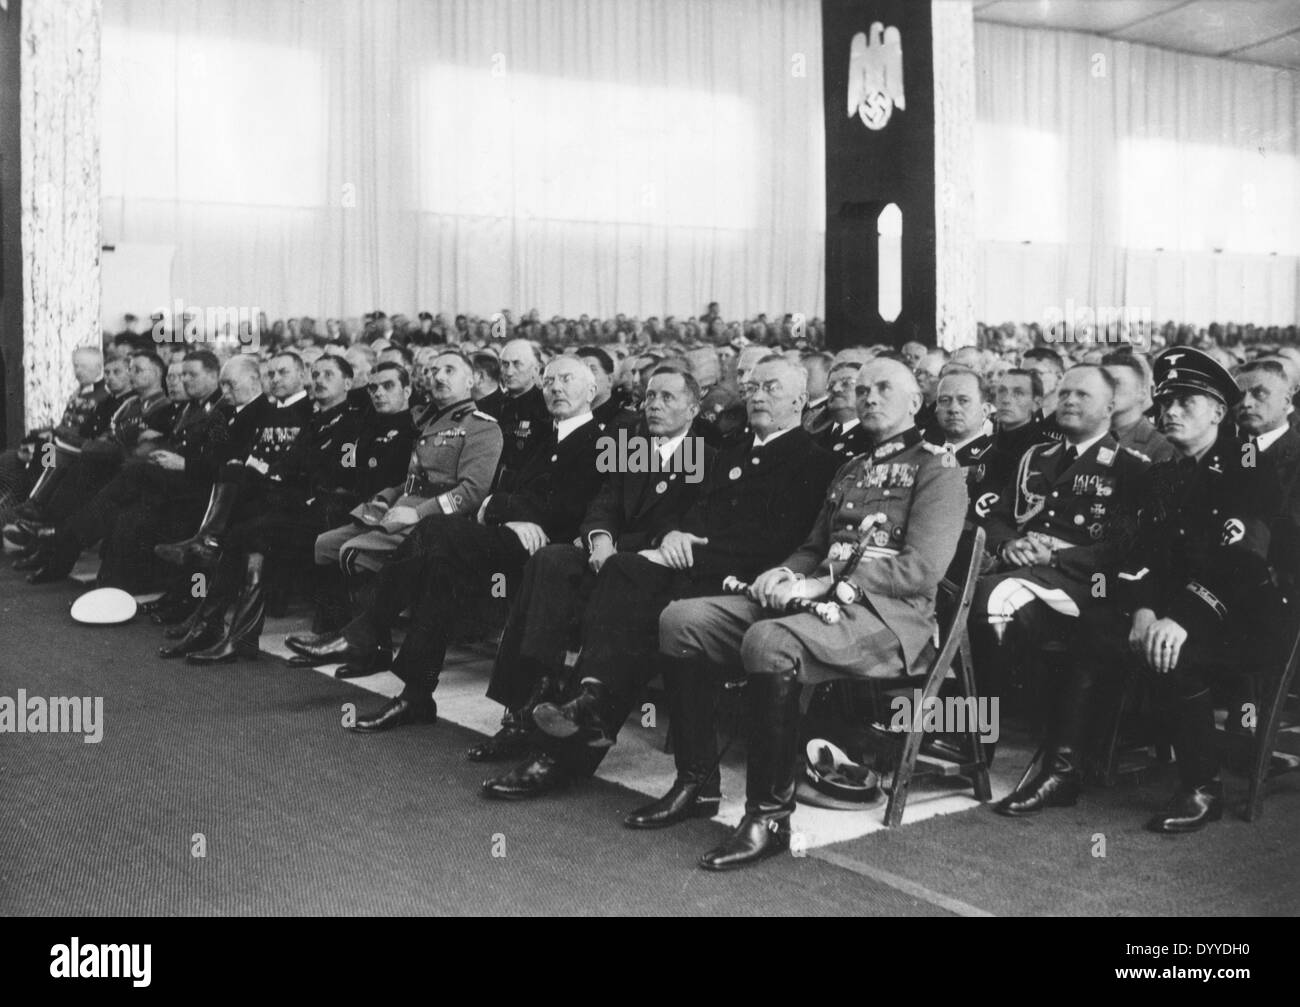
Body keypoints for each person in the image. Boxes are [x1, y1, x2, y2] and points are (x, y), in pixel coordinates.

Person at [647, 357, 966, 870]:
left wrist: (825, 582)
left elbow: (921, 570)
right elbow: (815, 546)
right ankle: (696, 783)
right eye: (862, 390)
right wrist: (785, 573)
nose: (869, 398)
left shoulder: (938, 469)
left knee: (770, 642)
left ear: (915, 402)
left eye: (884, 389)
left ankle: (770, 818)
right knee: (682, 621)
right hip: (824, 603)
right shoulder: (851, 469)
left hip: (889, 620)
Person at [501, 356, 839, 801]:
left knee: (629, 594)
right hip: (662, 567)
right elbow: (641, 507)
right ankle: (542, 713)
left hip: (730, 581)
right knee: (563, 566)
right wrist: (619, 539)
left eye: (771, 388)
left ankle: (567, 736)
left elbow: (772, 542)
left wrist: (666, 548)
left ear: (800, 398)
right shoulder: (696, 448)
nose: (757, 395)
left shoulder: (792, 459)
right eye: (752, 387)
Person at [996, 348, 1284, 833]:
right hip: (1172, 609)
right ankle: (1062, 771)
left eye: (1185, 402)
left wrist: (1180, 618)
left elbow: (1242, 564)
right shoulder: (1166, 475)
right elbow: (1143, 556)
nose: (1170, 411)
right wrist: (1145, 609)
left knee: (1177, 650)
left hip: (1242, 617)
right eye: (1165, 401)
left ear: (1217, 411)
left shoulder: (1247, 468)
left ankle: (1202, 786)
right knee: (1091, 627)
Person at [286, 355, 607, 729]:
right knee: (439, 564)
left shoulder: (603, 441)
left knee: (437, 531)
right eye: (549, 381)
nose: (555, 388)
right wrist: (507, 512)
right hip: (513, 538)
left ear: (591, 389)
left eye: (566, 380)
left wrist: (511, 512)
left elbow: (572, 507)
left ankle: (365, 632)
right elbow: (500, 495)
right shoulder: (545, 437)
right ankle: (415, 696)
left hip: (554, 551)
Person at [468, 367, 713, 765]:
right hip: (611, 556)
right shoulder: (632, 448)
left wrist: (619, 549)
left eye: (668, 398)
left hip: (652, 570)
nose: (654, 406)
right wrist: (600, 537)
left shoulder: (704, 456)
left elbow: (683, 525)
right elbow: (604, 503)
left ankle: (562, 718)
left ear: (693, 409)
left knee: (597, 575)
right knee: (549, 561)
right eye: (650, 397)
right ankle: (524, 707)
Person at [972, 365, 1148, 766]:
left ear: (1111, 406)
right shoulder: (1035, 456)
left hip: (1087, 587)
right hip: (1027, 575)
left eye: (1082, 395)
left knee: (994, 598)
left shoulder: (1130, 468)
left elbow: (1121, 548)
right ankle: (966, 729)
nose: (1069, 401)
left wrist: (1055, 557)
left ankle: (980, 740)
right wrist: (1008, 544)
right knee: (971, 602)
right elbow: (997, 516)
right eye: (1064, 393)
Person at [307, 349, 502, 648]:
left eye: (449, 370)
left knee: (351, 552)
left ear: (472, 380)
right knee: (325, 545)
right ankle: (336, 632)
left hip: (436, 521)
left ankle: (365, 644)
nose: (438, 377)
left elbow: (472, 492)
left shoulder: (481, 426)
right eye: (434, 371)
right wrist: (386, 498)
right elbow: (412, 480)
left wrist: (419, 513)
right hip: (401, 509)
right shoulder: (428, 421)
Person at [930, 368, 1015, 525]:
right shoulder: (926, 457)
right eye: (944, 400)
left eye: (963, 400)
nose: (953, 409)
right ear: (936, 410)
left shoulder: (1001, 463)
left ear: (985, 411)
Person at [1103, 351, 1175, 463]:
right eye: (1103, 384)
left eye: (1116, 383)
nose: (1107, 390)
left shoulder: (1162, 446)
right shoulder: (1089, 436)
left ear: (1142, 392)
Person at [813, 361, 873, 460]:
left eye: (847, 383)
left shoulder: (873, 437)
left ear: (867, 392)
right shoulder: (814, 433)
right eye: (831, 385)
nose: (836, 389)